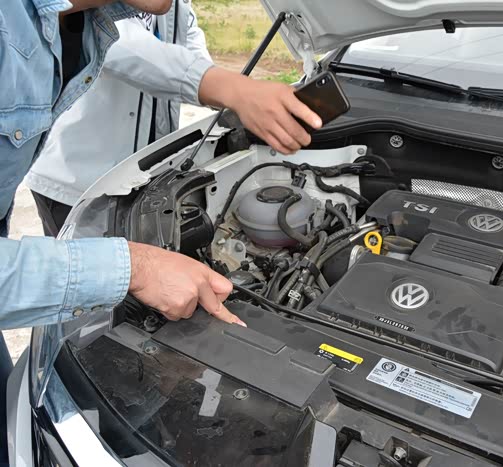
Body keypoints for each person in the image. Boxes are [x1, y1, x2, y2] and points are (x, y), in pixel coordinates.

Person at [0, 0, 321, 463]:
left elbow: (180, 44)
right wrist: (133, 267)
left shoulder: (93, 19)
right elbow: (134, 52)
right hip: (83, 178)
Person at [25, 3, 212, 235]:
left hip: (142, 172)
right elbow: (121, 44)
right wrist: (219, 86)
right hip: (77, 177)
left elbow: (187, 32)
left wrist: (222, 87)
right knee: (82, 257)